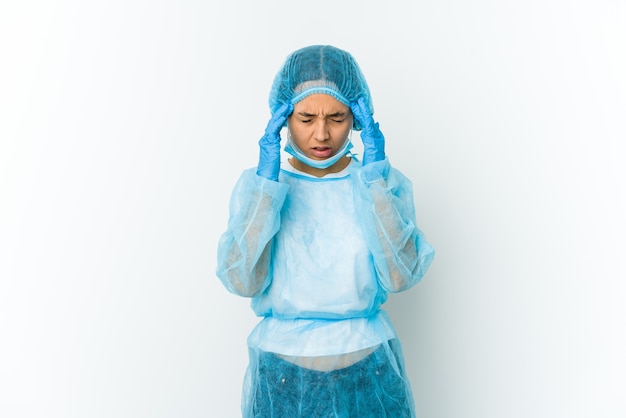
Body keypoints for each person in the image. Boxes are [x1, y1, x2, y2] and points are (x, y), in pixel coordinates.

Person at [216, 44, 435, 418]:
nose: (322, 134)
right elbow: (242, 281)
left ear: (357, 117)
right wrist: (267, 190)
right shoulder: (261, 190)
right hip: (282, 379)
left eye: (337, 117)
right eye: (305, 118)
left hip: (370, 373)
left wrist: (375, 183)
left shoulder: (378, 185)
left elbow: (400, 276)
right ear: (283, 117)